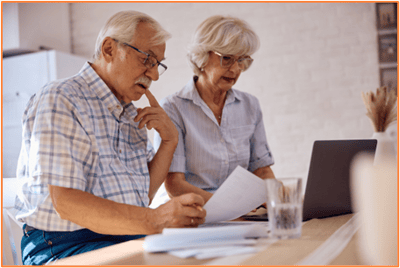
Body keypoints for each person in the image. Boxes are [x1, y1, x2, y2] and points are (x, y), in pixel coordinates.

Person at [14, 11, 206, 265]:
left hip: (121, 235)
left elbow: (140, 198)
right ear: (108, 49)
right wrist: (155, 219)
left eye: (158, 63)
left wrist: (169, 142)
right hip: (62, 243)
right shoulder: (62, 98)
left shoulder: (131, 115)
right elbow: (67, 204)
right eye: (147, 59)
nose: (155, 74)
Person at [153, 15, 275, 205]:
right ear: (202, 56)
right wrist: (232, 209)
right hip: (192, 213)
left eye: (242, 60)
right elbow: (175, 186)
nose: (235, 69)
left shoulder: (250, 105)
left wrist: (279, 201)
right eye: (226, 59)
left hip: (240, 213)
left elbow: (262, 170)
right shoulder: (173, 108)